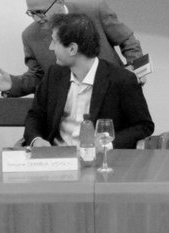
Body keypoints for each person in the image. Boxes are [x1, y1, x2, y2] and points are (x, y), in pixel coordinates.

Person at [0, 0, 144, 97]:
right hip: (70, 108)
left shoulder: (94, 11)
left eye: (40, 12)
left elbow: (128, 41)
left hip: (114, 95)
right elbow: (38, 77)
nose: (36, 19)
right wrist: (14, 84)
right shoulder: (30, 36)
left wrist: (134, 70)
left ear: (59, 2)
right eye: (31, 13)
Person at [23, 13, 154, 149]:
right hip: (56, 155)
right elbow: (35, 116)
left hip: (100, 158)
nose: (51, 47)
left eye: (54, 42)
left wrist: (108, 144)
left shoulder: (121, 80)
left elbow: (143, 126)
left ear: (72, 49)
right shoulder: (54, 74)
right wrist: (36, 140)